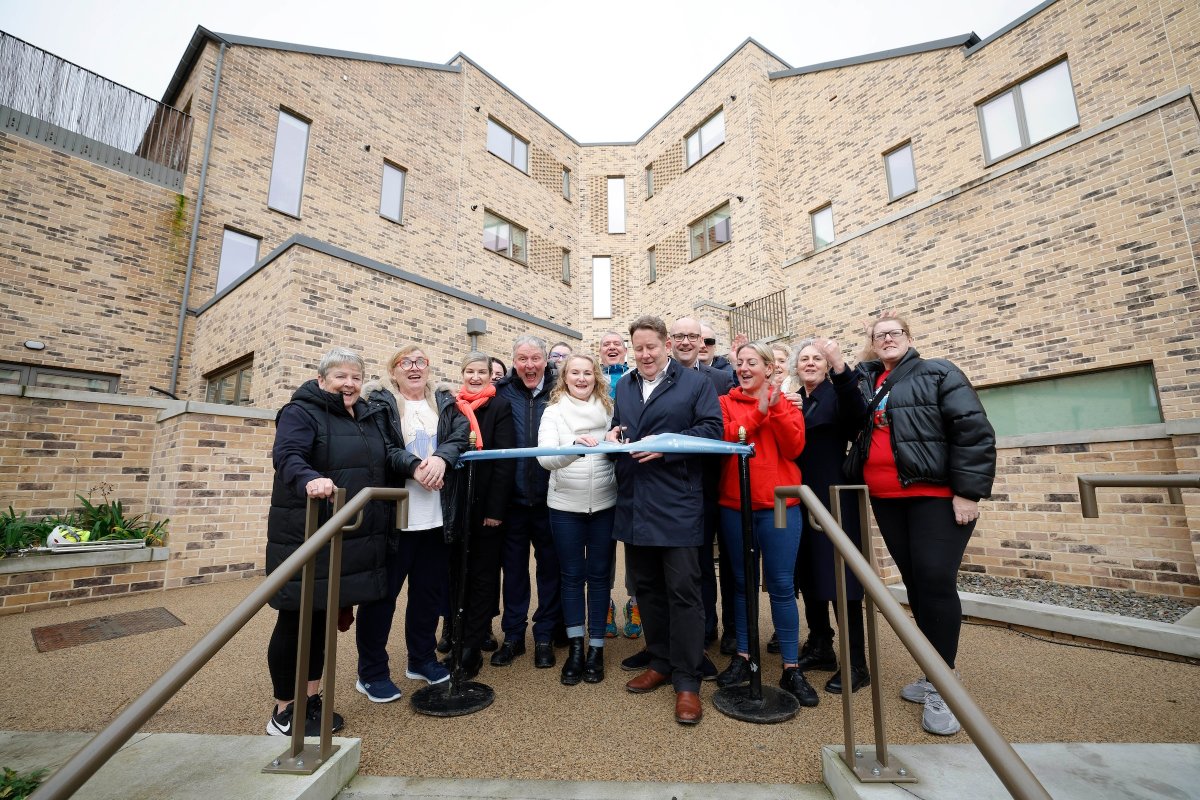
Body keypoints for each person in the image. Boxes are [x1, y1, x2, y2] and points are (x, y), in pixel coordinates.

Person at [845, 313, 996, 735]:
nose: (888, 339)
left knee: (934, 581)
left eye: (895, 333)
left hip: (935, 498)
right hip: (888, 500)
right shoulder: (868, 383)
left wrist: (969, 490)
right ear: (872, 344)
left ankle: (944, 684)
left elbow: (973, 430)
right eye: (880, 336)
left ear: (909, 338)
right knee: (916, 584)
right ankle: (933, 671)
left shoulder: (938, 372)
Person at [266, 347, 408, 735]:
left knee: (322, 621)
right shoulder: (301, 412)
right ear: (321, 380)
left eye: (355, 377)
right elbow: (288, 456)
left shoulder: (366, 416)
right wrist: (309, 478)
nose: (349, 383)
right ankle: (284, 712)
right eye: (340, 376)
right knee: (297, 620)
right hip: (307, 532)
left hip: (346, 534)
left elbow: (382, 461)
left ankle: (310, 700)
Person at [607, 315, 722, 725]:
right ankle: (660, 662)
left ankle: (688, 682)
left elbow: (713, 430)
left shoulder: (696, 383)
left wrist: (668, 448)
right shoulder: (623, 385)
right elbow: (622, 427)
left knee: (683, 593)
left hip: (677, 503)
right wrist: (613, 437)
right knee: (648, 590)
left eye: (651, 347)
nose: (645, 354)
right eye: (638, 348)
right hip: (635, 502)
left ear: (667, 345)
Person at [355, 345, 469, 701]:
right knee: (382, 599)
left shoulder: (444, 403)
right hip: (395, 520)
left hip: (437, 519)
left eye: (421, 362)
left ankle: (421, 659)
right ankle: (371, 672)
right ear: (393, 371)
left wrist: (440, 459)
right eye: (406, 362)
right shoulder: (381, 405)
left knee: (427, 596)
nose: (414, 368)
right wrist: (414, 465)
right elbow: (382, 447)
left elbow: (460, 435)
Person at [714, 341, 817, 707]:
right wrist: (760, 409)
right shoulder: (725, 403)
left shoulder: (788, 403)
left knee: (781, 585)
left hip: (778, 506)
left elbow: (794, 447)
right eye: (739, 363)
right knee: (741, 584)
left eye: (751, 362)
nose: (743, 368)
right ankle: (744, 656)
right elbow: (731, 436)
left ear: (769, 368)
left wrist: (774, 408)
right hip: (734, 505)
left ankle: (791, 666)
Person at [782, 337, 870, 694]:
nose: (810, 363)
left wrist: (840, 367)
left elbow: (858, 414)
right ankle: (820, 645)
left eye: (817, 358)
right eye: (804, 359)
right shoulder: (795, 399)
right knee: (809, 572)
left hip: (834, 497)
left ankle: (857, 663)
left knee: (841, 579)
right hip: (799, 497)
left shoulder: (838, 394)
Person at [537, 354, 617, 685]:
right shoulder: (553, 411)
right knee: (571, 577)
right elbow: (544, 459)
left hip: (604, 504)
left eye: (587, 372)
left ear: (595, 376)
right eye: (575, 373)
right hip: (565, 505)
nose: (581, 378)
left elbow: (621, 448)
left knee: (599, 578)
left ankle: (596, 649)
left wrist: (615, 443)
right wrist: (574, 447)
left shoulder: (609, 408)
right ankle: (575, 648)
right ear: (564, 377)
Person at [493, 335, 562, 668]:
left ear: (546, 359)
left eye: (536, 358)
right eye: (523, 359)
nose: (530, 365)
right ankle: (513, 636)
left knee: (551, 570)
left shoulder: (560, 390)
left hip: (551, 498)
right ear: (514, 361)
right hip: (513, 500)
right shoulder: (502, 391)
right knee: (515, 572)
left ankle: (545, 635)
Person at [449, 352, 515, 679]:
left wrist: (495, 509)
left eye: (481, 372)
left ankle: (472, 646)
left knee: (482, 575)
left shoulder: (499, 407)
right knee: (457, 573)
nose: (475, 377)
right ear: (462, 374)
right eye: (470, 372)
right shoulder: (452, 406)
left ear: (491, 376)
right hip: (457, 505)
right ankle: (455, 635)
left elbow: (505, 461)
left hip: (486, 506)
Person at [598, 330, 636, 639]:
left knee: (636, 542)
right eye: (605, 345)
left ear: (625, 351)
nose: (612, 348)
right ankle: (605, 602)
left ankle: (635, 602)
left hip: (634, 470)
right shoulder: (590, 380)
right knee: (604, 541)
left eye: (616, 344)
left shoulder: (637, 378)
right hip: (601, 470)